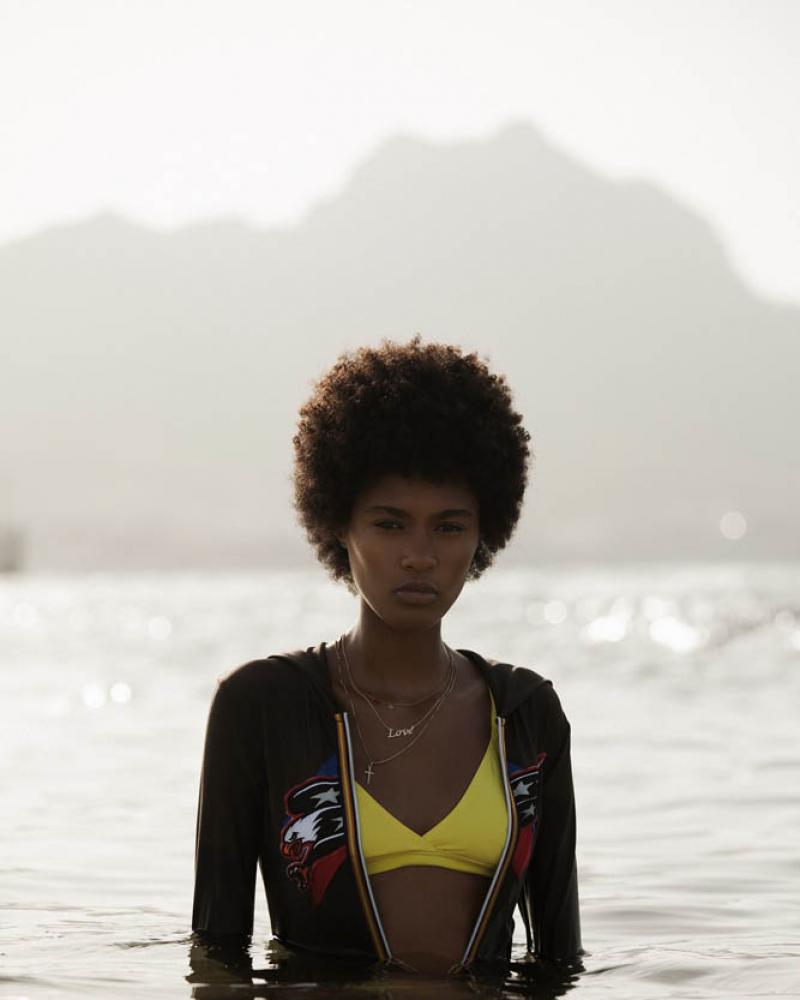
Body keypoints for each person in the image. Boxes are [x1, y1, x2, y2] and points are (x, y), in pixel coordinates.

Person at [191, 335, 583, 983]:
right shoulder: (261, 704)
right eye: (390, 523)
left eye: (449, 527)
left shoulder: (525, 713)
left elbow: (559, 959)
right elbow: (215, 953)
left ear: (484, 534)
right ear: (338, 524)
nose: (420, 556)